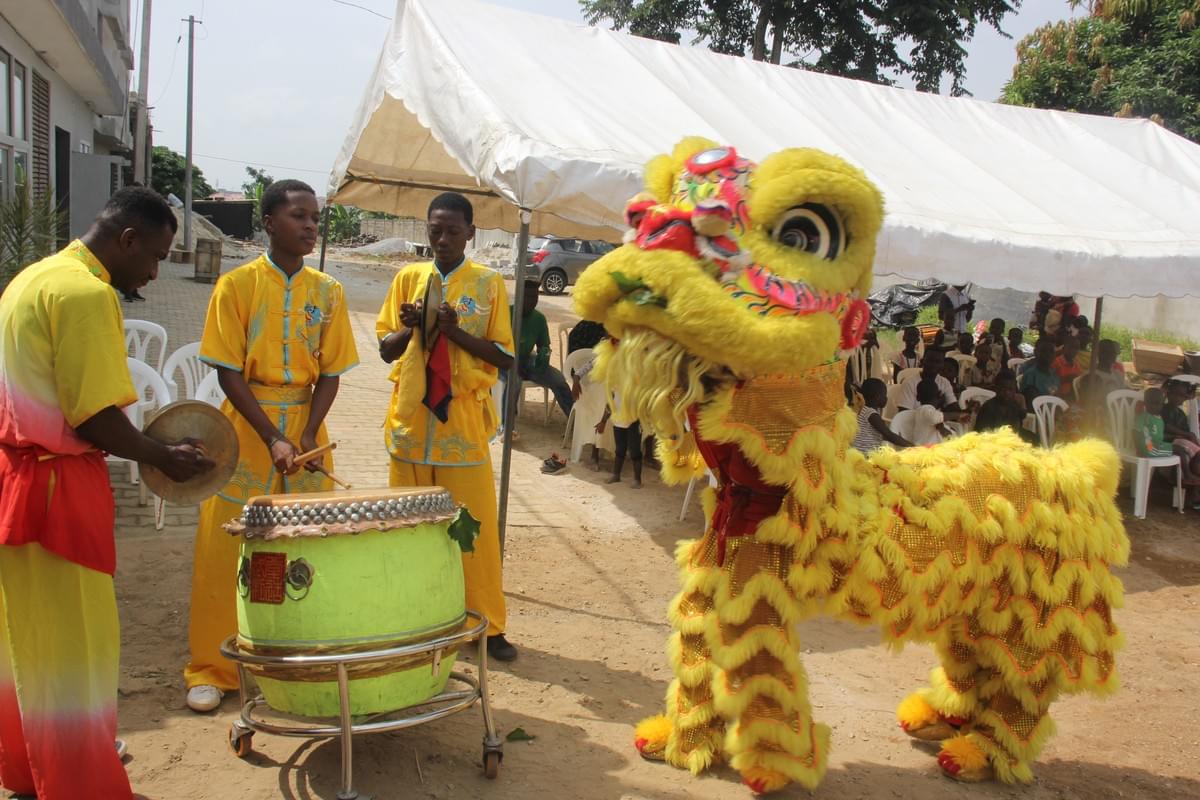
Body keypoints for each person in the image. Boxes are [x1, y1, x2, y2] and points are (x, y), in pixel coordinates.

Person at [0, 188, 213, 799]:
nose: (154, 271)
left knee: (28, 643)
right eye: (155, 256)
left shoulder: (34, 277)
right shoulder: (86, 294)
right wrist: (162, 455)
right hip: (56, 488)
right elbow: (95, 417)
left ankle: (28, 771)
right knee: (75, 652)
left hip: (18, 482)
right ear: (127, 240)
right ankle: (78, 785)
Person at [184, 180, 359, 712]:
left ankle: (298, 656)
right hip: (244, 426)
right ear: (269, 223)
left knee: (306, 542)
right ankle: (211, 667)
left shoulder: (329, 291)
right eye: (299, 216)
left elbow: (331, 371)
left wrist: (307, 434)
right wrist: (272, 436)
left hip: (305, 427)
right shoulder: (236, 285)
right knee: (226, 544)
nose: (311, 226)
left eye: (315, 218)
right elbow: (227, 370)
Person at [377, 192, 518, 662]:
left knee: (471, 531)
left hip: (461, 428)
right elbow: (386, 349)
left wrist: (454, 331)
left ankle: (487, 626)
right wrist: (413, 328)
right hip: (412, 426)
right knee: (407, 529)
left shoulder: (489, 284)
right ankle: (411, 619)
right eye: (434, 230)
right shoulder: (407, 278)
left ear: (471, 232)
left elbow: (503, 358)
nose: (441, 239)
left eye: (452, 230)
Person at [501, 279, 574, 421]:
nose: (531, 301)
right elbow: (495, 345)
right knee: (514, 382)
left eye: (534, 297)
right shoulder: (506, 314)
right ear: (519, 297)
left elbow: (544, 346)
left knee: (559, 380)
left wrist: (543, 356)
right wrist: (513, 364)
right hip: (504, 360)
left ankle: (575, 422)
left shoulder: (539, 319)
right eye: (527, 297)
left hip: (527, 359)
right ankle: (507, 426)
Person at [1161, 380, 1200, 508]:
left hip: (1179, 441)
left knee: (1193, 445)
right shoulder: (1164, 409)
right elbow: (1166, 427)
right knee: (1190, 446)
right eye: (1176, 394)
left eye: (1182, 395)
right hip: (1167, 442)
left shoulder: (1181, 414)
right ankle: (1192, 489)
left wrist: (1189, 436)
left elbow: (1187, 431)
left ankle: (1195, 493)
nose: (1179, 398)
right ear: (1169, 394)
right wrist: (1186, 435)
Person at [851, 378, 912, 454]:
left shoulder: (863, 410)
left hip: (857, 454)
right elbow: (889, 435)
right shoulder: (871, 415)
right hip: (865, 456)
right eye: (884, 395)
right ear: (877, 397)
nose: (886, 398)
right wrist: (912, 446)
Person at [975, 371, 1034, 442]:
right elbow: (982, 435)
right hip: (993, 443)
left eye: (1010, 389)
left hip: (1012, 439)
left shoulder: (1014, 405)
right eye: (1003, 389)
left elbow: (1018, 426)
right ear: (996, 388)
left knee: (1034, 439)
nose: (1007, 393)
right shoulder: (988, 408)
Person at [896, 347, 959, 413]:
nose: (933, 365)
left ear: (942, 365)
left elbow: (953, 407)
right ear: (922, 361)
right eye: (930, 360)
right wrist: (936, 405)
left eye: (938, 362)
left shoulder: (945, 382)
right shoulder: (909, 383)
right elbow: (903, 414)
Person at [595, 405, 643, 487]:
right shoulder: (613, 391)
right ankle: (616, 475)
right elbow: (609, 404)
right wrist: (603, 421)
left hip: (634, 421)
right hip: (618, 421)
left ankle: (637, 479)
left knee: (635, 451)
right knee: (619, 449)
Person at [1018, 338, 1060, 405]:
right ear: (1036, 352)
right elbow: (1032, 403)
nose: (1048, 354)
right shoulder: (1031, 375)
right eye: (1044, 351)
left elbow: (1056, 396)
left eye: (1051, 351)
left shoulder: (1054, 373)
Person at [1135, 388, 1175, 458]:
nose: (1157, 407)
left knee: (1180, 448)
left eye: (1160, 404)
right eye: (1154, 403)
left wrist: (1174, 437)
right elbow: (1136, 433)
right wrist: (1138, 449)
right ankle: (1186, 469)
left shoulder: (1159, 419)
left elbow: (1158, 435)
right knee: (1178, 450)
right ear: (1145, 403)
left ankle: (1162, 468)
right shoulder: (1144, 417)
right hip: (1149, 448)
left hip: (1157, 445)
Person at [910, 379, 952, 445]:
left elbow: (942, 430)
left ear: (917, 397)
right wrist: (957, 415)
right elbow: (934, 418)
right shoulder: (924, 409)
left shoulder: (932, 412)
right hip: (925, 451)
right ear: (939, 395)